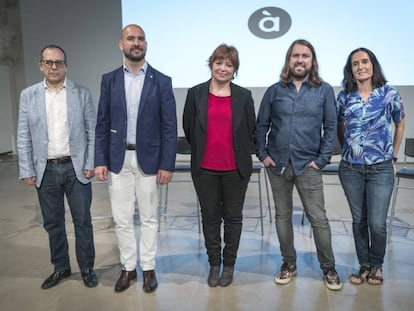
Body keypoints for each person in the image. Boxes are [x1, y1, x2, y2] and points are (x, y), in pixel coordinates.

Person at [94, 24, 177, 293]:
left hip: (149, 160)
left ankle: (149, 268)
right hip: (118, 159)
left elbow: (169, 126)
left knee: (150, 217)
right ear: (121, 44)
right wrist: (100, 160)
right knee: (122, 218)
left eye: (141, 39)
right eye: (130, 38)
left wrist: (167, 163)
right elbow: (102, 122)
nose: (136, 43)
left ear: (146, 44)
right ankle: (128, 268)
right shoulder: (109, 80)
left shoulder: (162, 81)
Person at [255, 39, 342, 290]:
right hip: (278, 165)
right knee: (282, 216)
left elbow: (331, 128)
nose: (300, 60)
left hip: (308, 166)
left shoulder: (324, 90)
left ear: (312, 61)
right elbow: (261, 125)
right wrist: (263, 155)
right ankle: (289, 263)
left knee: (318, 218)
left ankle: (329, 268)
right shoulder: (274, 91)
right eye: (295, 56)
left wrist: (322, 159)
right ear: (288, 60)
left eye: (305, 56)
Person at [17, 44, 98, 289]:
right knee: (53, 223)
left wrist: (90, 163)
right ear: (41, 65)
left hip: (76, 169)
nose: (54, 67)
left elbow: (92, 132)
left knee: (82, 220)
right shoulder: (28, 95)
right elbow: (23, 135)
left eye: (59, 62)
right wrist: (26, 168)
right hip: (46, 170)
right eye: (49, 62)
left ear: (66, 65)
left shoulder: (81, 94)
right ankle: (61, 267)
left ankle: (86, 267)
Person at [183, 44, 256, 287]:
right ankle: (214, 263)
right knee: (210, 218)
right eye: (219, 63)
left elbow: (250, 129)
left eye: (229, 64)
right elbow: (189, 128)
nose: (223, 68)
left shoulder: (244, 96)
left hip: (236, 170)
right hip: (205, 169)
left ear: (234, 69)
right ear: (211, 64)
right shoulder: (195, 93)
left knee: (233, 219)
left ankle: (230, 264)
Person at [337, 47, 405, 286]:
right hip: (350, 169)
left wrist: (393, 155)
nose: (360, 67)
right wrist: (347, 149)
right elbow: (340, 126)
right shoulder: (344, 96)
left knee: (377, 223)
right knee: (359, 221)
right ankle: (364, 265)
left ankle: (377, 264)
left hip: (381, 168)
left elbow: (399, 123)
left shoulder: (389, 93)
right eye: (355, 64)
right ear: (351, 69)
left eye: (365, 62)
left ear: (373, 65)